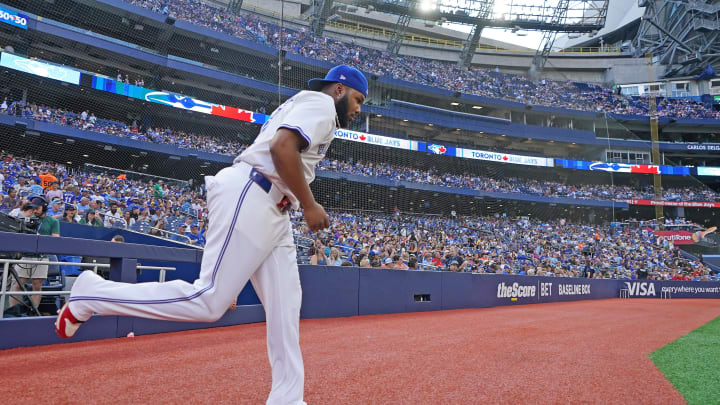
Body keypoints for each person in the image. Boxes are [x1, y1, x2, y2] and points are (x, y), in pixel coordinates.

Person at [57, 65, 367, 405]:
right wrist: (309, 205)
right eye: (357, 99)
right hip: (255, 192)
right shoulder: (321, 105)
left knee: (285, 307)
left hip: (273, 207)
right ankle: (91, 294)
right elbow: (282, 149)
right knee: (208, 301)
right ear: (338, 89)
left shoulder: (311, 106)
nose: (358, 108)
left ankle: (287, 399)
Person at [9, 196, 60, 309]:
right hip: (25, 256)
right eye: (33, 208)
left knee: (37, 286)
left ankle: (33, 311)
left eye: (37, 208)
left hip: (42, 257)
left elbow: (55, 240)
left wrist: (39, 238)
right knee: (17, 284)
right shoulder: (25, 218)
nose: (35, 210)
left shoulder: (52, 221)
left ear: (44, 207)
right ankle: (13, 312)